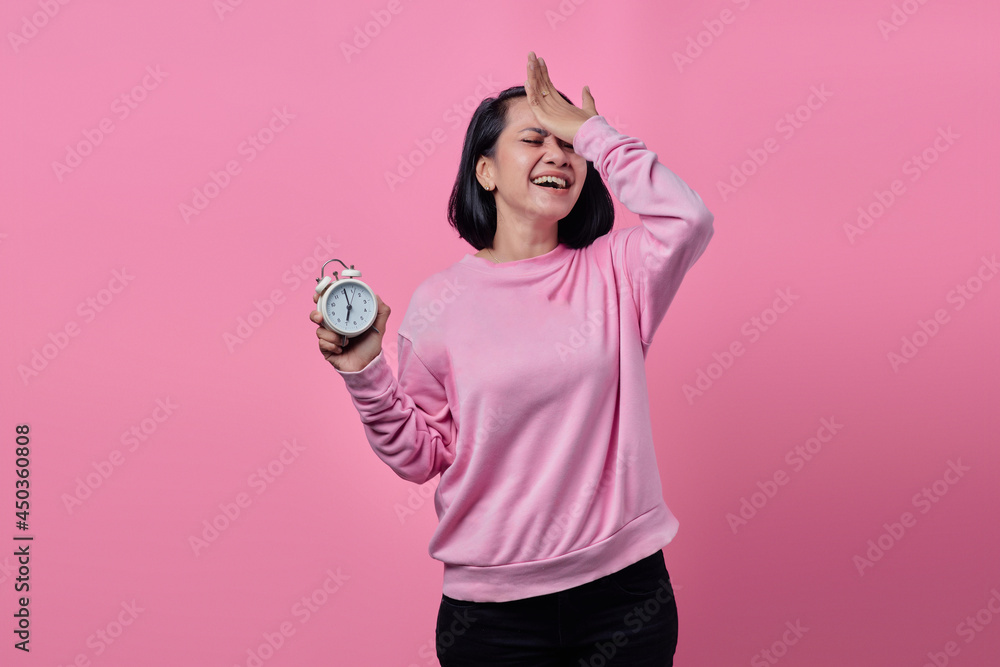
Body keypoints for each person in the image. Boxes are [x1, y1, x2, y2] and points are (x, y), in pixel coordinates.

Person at [309, 51, 714, 666]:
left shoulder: (617, 271)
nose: (559, 155)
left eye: (569, 144)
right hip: (491, 614)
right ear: (486, 172)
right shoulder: (439, 302)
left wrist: (596, 134)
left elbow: (688, 219)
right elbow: (421, 457)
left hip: (624, 596)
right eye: (534, 138)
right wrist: (365, 372)